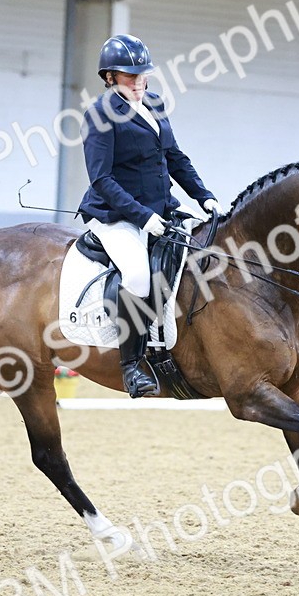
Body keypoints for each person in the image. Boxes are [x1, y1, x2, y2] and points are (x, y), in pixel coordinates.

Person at [77, 34, 221, 398]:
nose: (139, 81)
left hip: (161, 208)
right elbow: (101, 179)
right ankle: (132, 366)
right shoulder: (99, 115)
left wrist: (203, 195)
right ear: (110, 77)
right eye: (130, 75)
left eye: (143, 74)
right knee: (139, 277)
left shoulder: (154, 103)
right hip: (114, 215)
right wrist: (142, 217)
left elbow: (174, 157)